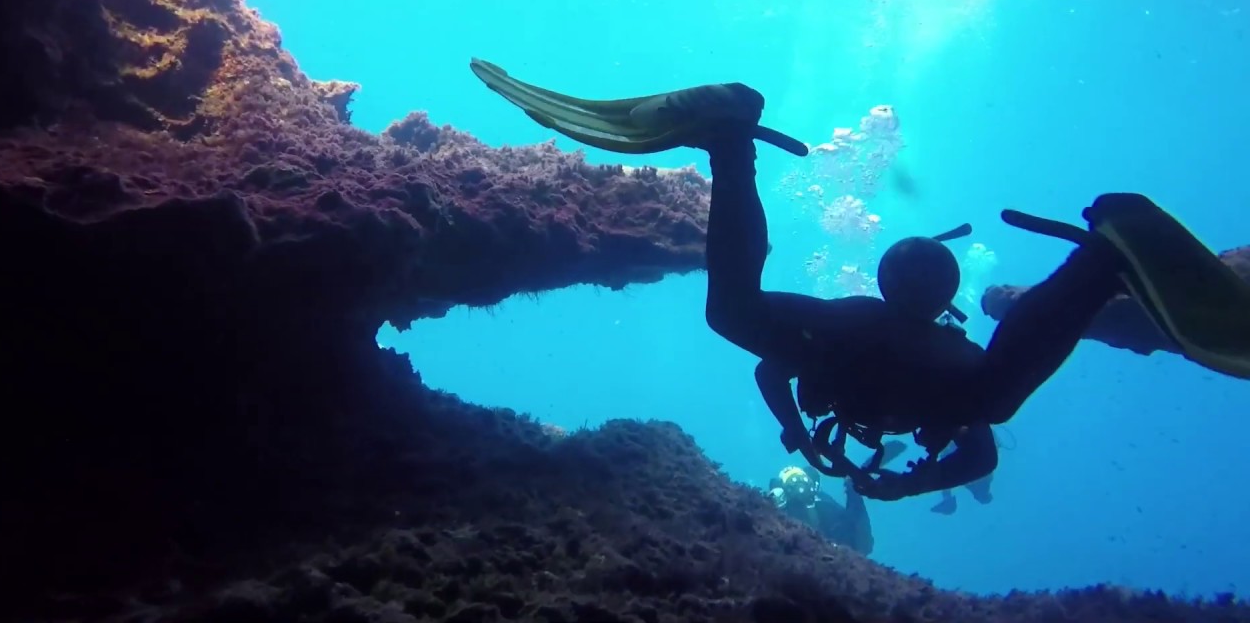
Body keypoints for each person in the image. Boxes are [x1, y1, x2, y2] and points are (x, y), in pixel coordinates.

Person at [469, 59, 1250, 501]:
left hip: (848, 335)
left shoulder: (865, 341)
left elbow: (777, 367)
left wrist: (806, 433)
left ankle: (728, 138)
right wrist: (887, 471)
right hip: (896, 354)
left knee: (739, 315)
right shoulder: (943, 386)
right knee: (988, 392)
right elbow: (977, 456)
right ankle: (1105, 257)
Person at [768, 440, 907, 554]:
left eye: (801, 480)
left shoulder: (822, 500)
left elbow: (858, 530)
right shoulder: (785, 509)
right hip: (840, 549)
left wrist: (853, 484)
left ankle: (858, 476)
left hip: (849, 545)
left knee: (863, 544)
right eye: (793, 484)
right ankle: (857, 477)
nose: (800, 487)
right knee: (862, 545)